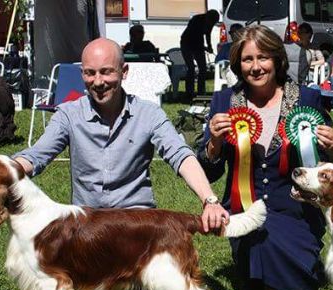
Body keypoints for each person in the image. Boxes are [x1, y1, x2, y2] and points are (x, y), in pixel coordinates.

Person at [198, 25, 333, 290]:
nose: (255, 67)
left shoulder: (307, 99)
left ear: (277, 60)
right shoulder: (223, 102)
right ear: (237, 63)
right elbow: (209, 172)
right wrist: (215, 144)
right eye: (247, 59)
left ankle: (268, 278)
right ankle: (258, 277)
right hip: (245, 210)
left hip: (297, 212)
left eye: (263, 58)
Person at [14, 38, 228, 232]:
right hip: (87, 228)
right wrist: (3, 170)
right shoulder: (68, 115)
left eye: (106, 71)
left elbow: (180, 155)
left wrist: (209, 200)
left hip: (137, 225)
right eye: (90, 73)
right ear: (82, 75)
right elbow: (36, 156)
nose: (98, 82)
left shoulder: (149, 113)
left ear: (124, 71)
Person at [180, 9, 220, 98]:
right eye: (211, 21)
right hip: (186, 43)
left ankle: (201, 91)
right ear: (207, 17)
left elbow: (208, 34)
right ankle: (189, 92)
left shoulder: (210, 22)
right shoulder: (196, 20)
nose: (212, 24)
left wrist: (209, 46)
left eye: (213, 22)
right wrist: (204, 48)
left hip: (198, 45)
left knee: (203, 68)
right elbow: (195, 37)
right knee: (191, 68)